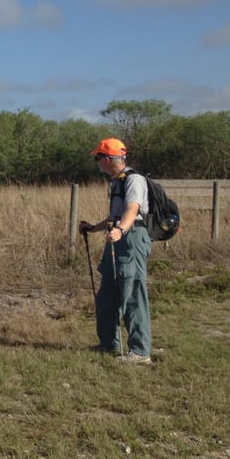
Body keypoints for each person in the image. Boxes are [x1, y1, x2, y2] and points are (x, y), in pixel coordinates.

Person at [79, 138, 153, 364]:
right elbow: (116, 217)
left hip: (131, 238)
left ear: (108, 159)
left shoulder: (134, 180)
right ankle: (109, 343)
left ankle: (140, 352)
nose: (96, 162)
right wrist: (94, 228)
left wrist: (120, 230)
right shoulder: (117, 181)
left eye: (98, 158)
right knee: (108, 294)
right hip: (118, 236)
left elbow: (132, 210)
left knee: (132, 293)